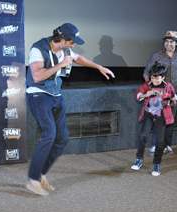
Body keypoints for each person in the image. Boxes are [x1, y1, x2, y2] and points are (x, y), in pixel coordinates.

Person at [25, 23, 115, 195]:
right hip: (38, 94)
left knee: (63, 138)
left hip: (56, 95)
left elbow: (78, 58)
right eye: (72, 42)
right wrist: (61, 64)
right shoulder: (38, 48)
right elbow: (36, 76)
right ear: (63, 40)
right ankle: (33, 180)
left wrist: (99, 67)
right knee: (49, 134)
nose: (74, 45)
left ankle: (41, 173)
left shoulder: (66, 51)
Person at [143, 30, 177, 154]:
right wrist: (151, 85)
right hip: (159, 93)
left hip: (174, 93)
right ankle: (156, 145)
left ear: (176, 43)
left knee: (170, 119)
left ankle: (167, 145)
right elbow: (146, 72)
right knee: (158, 119)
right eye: (166, 41)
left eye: (172, 42)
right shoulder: (157, 55)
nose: (169, 44)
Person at [131, 63, 177, 176]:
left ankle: (156, 164)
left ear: (163, 77)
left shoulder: (168, 86)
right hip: (149, 114)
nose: (154, 79)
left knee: (160, 142)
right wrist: (147, 94)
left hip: (161, 115)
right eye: (152, 77)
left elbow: (174, 99)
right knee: (143, 136)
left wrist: (168, 102)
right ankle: (139, 160)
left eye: (156, 77)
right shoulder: (147, 85)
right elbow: (138, 96)